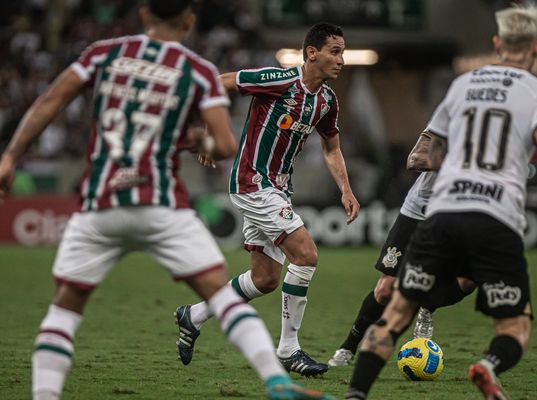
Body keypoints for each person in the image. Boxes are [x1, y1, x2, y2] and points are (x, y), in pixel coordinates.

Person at [0, 1, 333, 399]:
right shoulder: (195, 69)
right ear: (190, 20)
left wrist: (9, 156)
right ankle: (277, 378)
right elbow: (225, 144)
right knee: (221, 296)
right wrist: (202, 139)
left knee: (64, 310)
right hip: (161, 204)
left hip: (100, 201)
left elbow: (50, 100)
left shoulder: (102, 54)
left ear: (143, 15)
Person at [344, 4, 537, 399]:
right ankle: (488, 365)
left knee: (395, 314)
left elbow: (429, 154)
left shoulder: (463, 84)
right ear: (536, 45)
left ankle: (355, 394)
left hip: (443, 211)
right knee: (515, 325)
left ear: (498, 43)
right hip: (495, 216)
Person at [174, 22, 360, 377]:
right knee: (305, 255)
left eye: (342, 52)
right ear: (312, 53)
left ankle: (193, 315)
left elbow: (331, 147)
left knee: (265, 279)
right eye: (335, 52)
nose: (342, 60)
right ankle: (289, 350)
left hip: (278, 188)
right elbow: (221, 82)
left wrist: (346, 190)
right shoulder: (279, 79)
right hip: (253, 183)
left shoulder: (326, 101)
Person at [328, 134, 475, 367]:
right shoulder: (448, 119)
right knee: (385, 290)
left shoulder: (501, 133)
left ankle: (428, 305)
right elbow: (414, 159)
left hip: (464, 215)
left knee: (468, 280)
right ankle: (348, 347)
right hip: (419, 211)